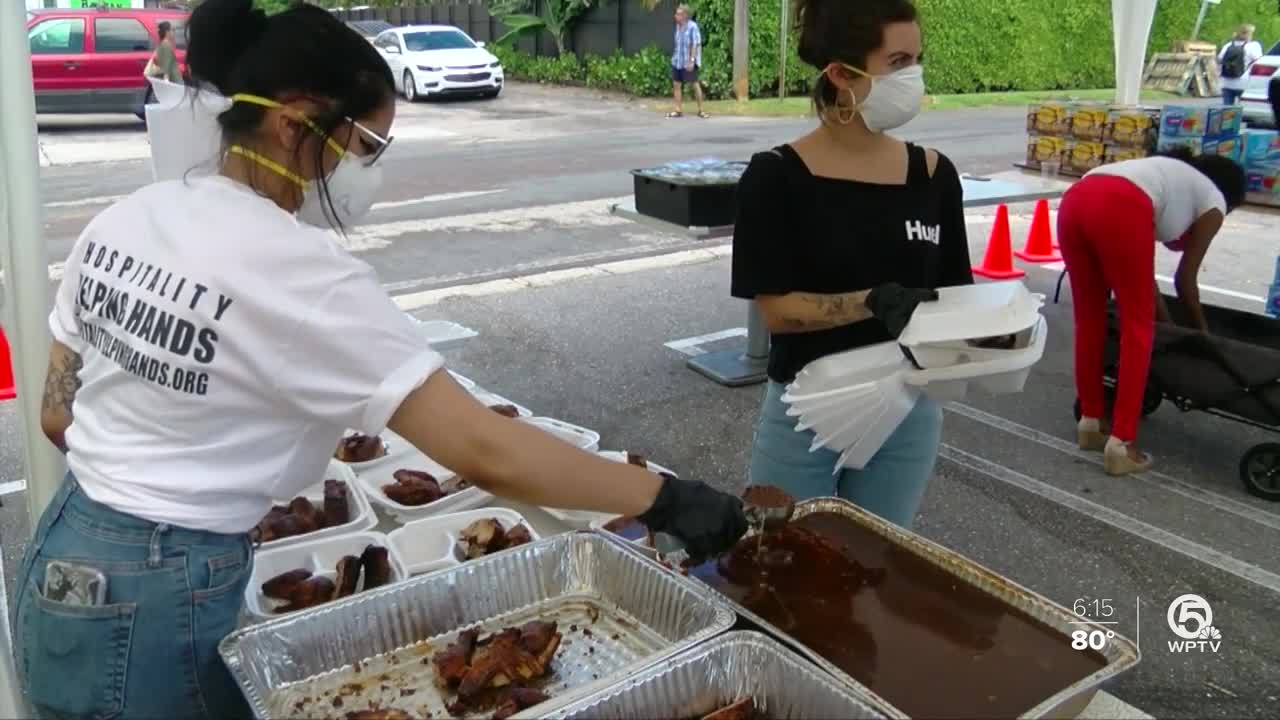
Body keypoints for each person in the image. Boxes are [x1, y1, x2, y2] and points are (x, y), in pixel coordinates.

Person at [12, 1, 747, 718]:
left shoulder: (128, 216)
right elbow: (483, 447)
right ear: (295, 120)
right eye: (366, 147)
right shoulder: (298, 270)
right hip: (161, 592)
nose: (368, 172)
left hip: (65, 552)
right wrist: (660, 496)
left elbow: (55, 415)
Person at [730, 0, 972, 529]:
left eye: (917, 59)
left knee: (879, 569)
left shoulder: (933, 175)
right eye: (899, 62)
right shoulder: (776, 178)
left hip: (909, 407)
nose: (914, 77)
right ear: (841, 74)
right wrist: (869, 303)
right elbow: (777, 311)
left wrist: (994, 336)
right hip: (807, 409)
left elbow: (955, 295)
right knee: (787, 563)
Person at [1057, 150, 1245, 476]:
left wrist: (1171, 325)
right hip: (1120, 205)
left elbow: (1144, 279)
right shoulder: (1214, 202)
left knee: (1089, 318)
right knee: (1138, 327)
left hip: (1075, 199)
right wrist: (1202, 334)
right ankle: (1122, 445)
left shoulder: (1167, 177)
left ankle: (1091, 423)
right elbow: (1185, 280)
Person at [668, 4, 707, 119]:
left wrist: (692, 60)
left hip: (688, 61)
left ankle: (701, 110)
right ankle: (678, 110)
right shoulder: (678, 26)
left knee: (694, 84)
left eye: (678, 14)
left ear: (685, 15)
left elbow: (695, 44)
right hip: (678, 61)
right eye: (676, 14)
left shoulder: (692, 27)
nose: (675, 16)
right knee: (676, 84)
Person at [1218, 24, 1262, 105]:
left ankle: (1228, 118)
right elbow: (1259, 61)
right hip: (1243, 83)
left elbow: (1220, 59)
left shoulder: (1228, 45)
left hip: (1226, 82)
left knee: (1226, 109)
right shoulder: (1252, 46)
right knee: (1243, 109)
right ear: (1249, 35)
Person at [146, 20, 183, 85]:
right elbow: (166, 65)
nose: (173, 32)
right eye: (172, 30)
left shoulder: (162, 44)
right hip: (174, 81)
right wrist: (166, 81)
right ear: (167, 32)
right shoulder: (166, 45)